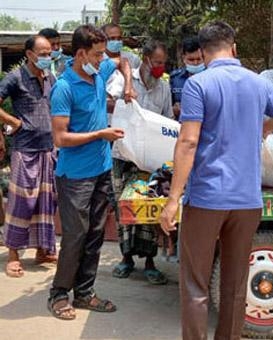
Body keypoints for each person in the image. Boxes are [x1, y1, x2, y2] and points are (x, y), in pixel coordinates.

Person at [159, 21, 273, 340]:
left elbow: (188, 142)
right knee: (235, 284)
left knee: (195, 285)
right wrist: (265, 127)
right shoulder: (258, 82)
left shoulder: (198, 84)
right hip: (248, 200)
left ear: (203, 53)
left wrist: (172, 199)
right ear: (233, 47)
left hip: (207, 198)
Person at [47, 24, 135, 321]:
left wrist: (129, 83)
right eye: (97, 54)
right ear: (81, 53)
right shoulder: (64, 88)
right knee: (75, 236)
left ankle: (84, 293)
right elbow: (60, 138)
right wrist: (101, 135)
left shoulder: (98, 73)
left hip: (101, 170)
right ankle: (59, 294)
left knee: (95, 234)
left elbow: (122, 61)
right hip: (74, 177)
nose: (102, 59)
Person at [107, 39, 173, 285]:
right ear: (145, 59)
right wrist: (127, 105)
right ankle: (126, 259)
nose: (160, 67)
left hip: (148, 158)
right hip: (122, 153)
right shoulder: (124, 79)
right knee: (121, 206)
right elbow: (106, 102)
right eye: (157, 62)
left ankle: (149, 261)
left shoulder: (163, 87)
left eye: (163, 63)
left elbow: (167, 121)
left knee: (148, 208)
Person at [0, 35, 58, 278]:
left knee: (46, 202)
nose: (47, 57)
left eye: (50, 53)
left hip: (49, 148)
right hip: (25, 149)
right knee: (21, 202)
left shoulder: (50, 78)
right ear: (29, 54)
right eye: (43, 53)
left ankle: (42, 250)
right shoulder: (15, 77)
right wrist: (14, 122)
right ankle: (13, 255)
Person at [170, 36, 205, 119]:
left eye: (199, 59)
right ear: (184, 58)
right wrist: (174, 109)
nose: (196, 63)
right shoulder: (175, 78)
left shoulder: (212, 78)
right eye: (191, 60)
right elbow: (167, 106)